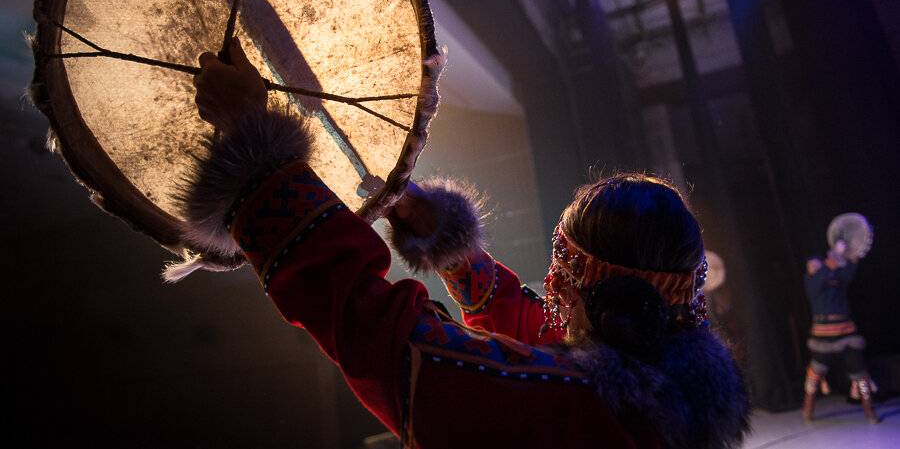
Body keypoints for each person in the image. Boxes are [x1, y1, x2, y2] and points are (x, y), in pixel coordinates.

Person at [180, 38, 750, 448]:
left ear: (604, 302)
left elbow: (384, 337)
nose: (547, 286)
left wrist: (257, 146)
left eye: (563, 270)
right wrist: (447, 242)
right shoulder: (663, 380)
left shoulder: (569, 402)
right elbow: (525, 323)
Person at [802, 212, 879, 424]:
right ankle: (808, 409)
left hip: (846, 332)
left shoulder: (835, 280)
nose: (815, 268)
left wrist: (854, 250)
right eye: (812, 266)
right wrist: (835, 254)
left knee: (860, 373)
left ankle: (870, 411)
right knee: (816, 374)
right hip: (823, 336)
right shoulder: (811, 282)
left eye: (817, 264)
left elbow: (847, 268)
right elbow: (824, 272)